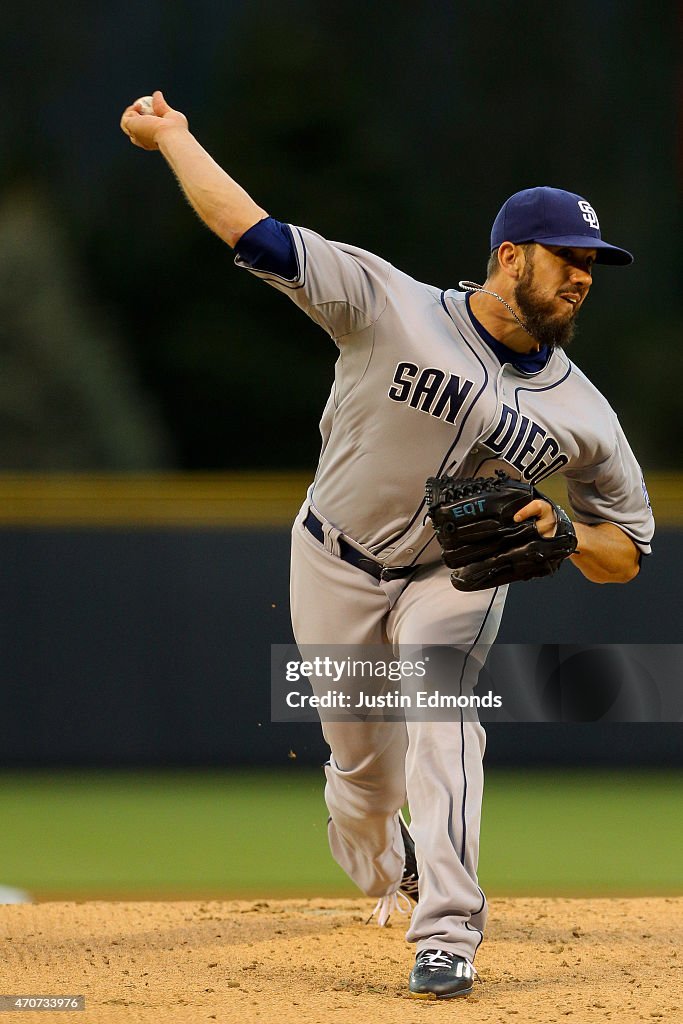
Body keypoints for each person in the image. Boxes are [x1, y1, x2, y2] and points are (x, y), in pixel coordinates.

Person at [120, 92, 654, 1000]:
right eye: (569, 258)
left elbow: (630, 551)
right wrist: (173, 136)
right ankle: (390, 867)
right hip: (333, 556)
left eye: (593, 265)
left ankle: (446, 929)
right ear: (509, 255)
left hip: (457, 573)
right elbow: (254, 234)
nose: (583, 277)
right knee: (362, 784)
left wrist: (565, 531)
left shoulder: (586, 415)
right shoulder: (388, 303)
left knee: (440, 706)